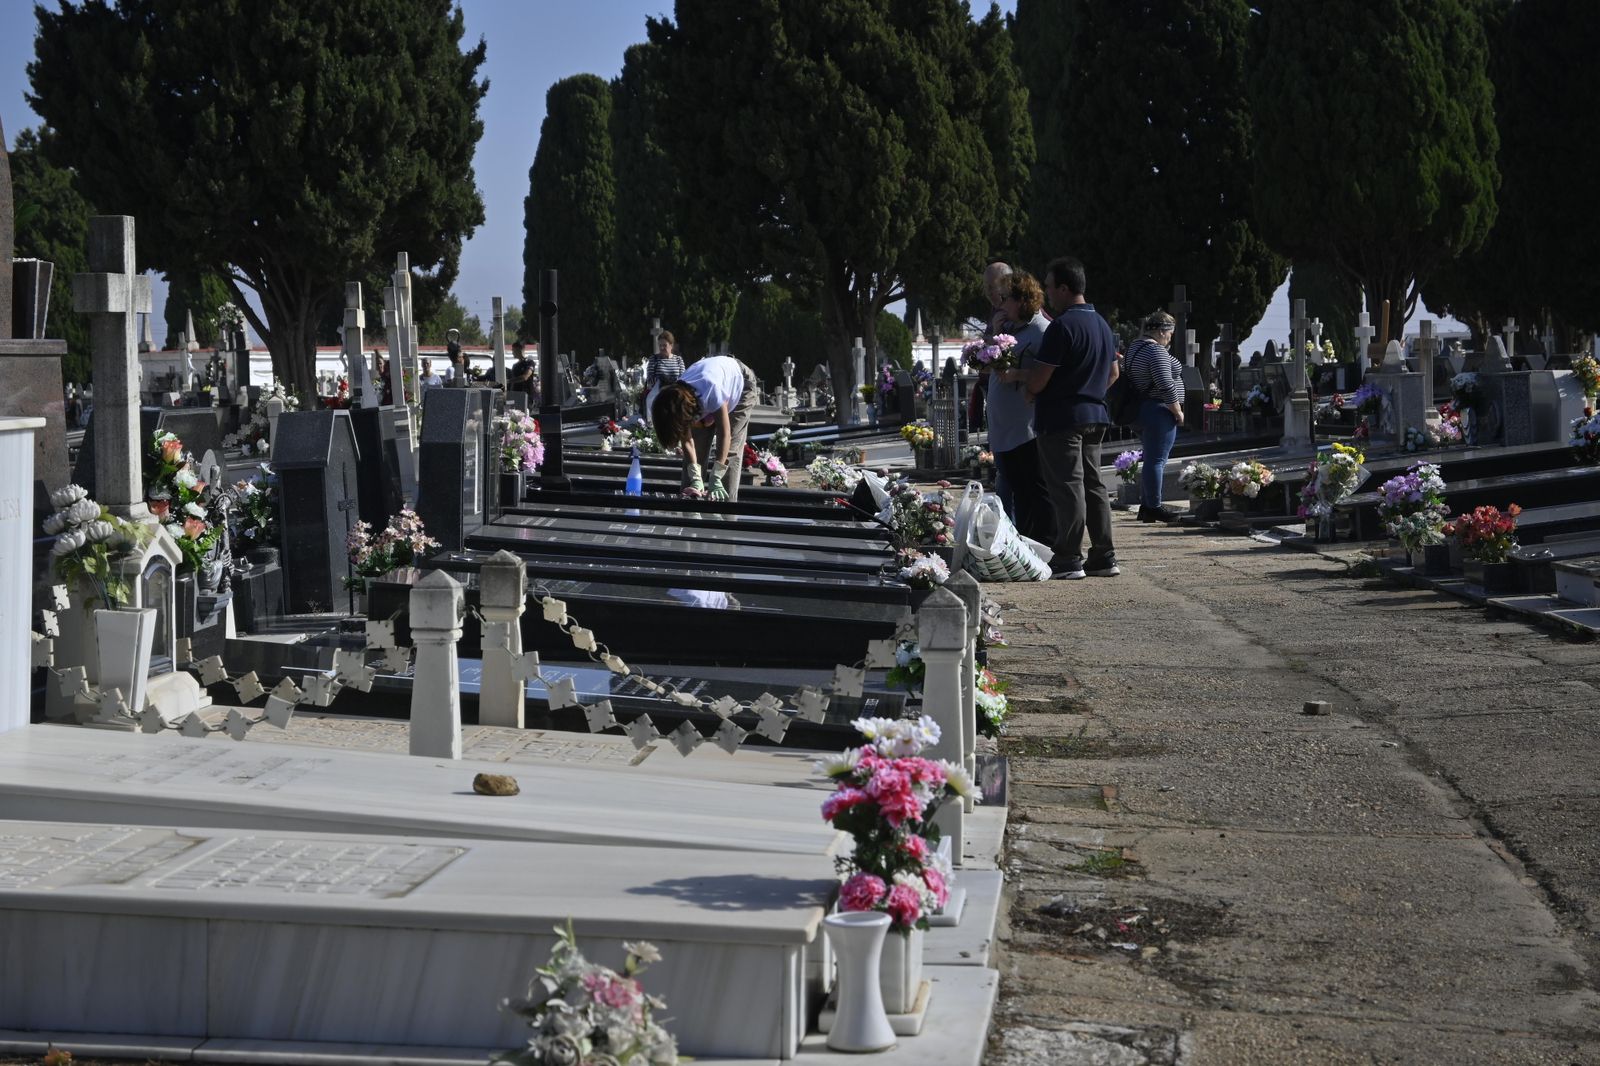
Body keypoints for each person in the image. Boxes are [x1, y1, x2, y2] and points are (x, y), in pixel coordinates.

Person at [1022, 256, 1118, 579]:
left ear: (1064, 288)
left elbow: (1039, 379)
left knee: (1067, 486)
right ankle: (1104, 555)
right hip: (1095, 414)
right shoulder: (1102, 325)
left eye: (1050, 287)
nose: (1047, 294)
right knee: (1094, 485)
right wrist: (1088, 390)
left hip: (1062, 417)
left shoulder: (1062, 327)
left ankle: (1068, 556)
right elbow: (1114, 373)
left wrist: (1030, 389)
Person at [990, 271, 1055, 543]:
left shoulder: (1042, 330)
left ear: (1022, 300)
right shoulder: (1009, 329)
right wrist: (995, 335)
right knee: (1019, 490)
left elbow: (1052, 374)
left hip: (1028, 428)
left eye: (1005, 298)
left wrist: (1019, 375)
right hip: (1006, 427)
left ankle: (1046, 542)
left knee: (1036, 489)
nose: (1000, 304)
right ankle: (1026, 541)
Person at [651, 354, 759, 502]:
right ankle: (690, 500)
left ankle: (725, 508)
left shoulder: (711, 389)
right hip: (708, 386)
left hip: (741, 383)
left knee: (729, 452)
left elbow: (725, 433)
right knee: (697, 448)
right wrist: (695, 476)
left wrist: (716, 475)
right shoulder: (675, 400)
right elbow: (688, 441)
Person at [1124, 311, 1185, 523]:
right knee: (1157, 460)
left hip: (1143, 409)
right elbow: (1165, 383)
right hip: (1158, 410)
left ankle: (1146, 506)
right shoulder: (1156, 350)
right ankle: (1154, 507)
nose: (1170, 338)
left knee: (1152, 458)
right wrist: (1177, 411)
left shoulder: (1134, 347)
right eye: (1170, 334)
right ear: (1161, 331)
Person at [644, 331, 686, 425]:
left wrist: (673, 382)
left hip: (675, 395)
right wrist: (661, 380)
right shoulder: (654, 359)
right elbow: (649, 379)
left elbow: (683, 378)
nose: (662, 348)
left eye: (664, 345)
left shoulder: (678, 360)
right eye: (660, 345)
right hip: (659, 395)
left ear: (671, 345)